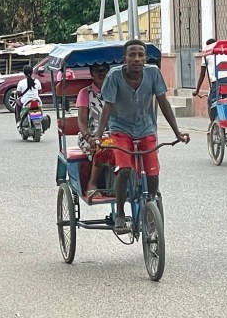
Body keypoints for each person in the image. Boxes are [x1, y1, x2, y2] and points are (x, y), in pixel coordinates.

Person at [94, 40, 190, 234]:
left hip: (146, 128)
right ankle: (121, 213)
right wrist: (97, 135)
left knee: (153, 172)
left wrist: (177, 132)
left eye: (140, 55)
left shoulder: (153, 73)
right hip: (120, 128)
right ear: (124, 59)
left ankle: (150, 204)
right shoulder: (114, 76)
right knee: (125, 170)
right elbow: (108, 107)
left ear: (145, 58)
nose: (136, 59)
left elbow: (163, 103)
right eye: (132, 55)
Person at [76, 62, 114, 197]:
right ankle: (92, 183)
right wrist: (89, 137)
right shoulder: (85, 93)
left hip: (113, 134)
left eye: (104, 70)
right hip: (90, 136)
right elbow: (81, 121)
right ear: (91, 73)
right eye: (97, 70)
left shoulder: (116, 91)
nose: (101, 73)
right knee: (103, 145)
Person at [192, 38, 227, 121]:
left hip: (218, 82)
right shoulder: (224, 53)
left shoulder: (207, 53)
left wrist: (197, 90)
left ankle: (212, 124)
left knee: (212, 103)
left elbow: (202, 74)